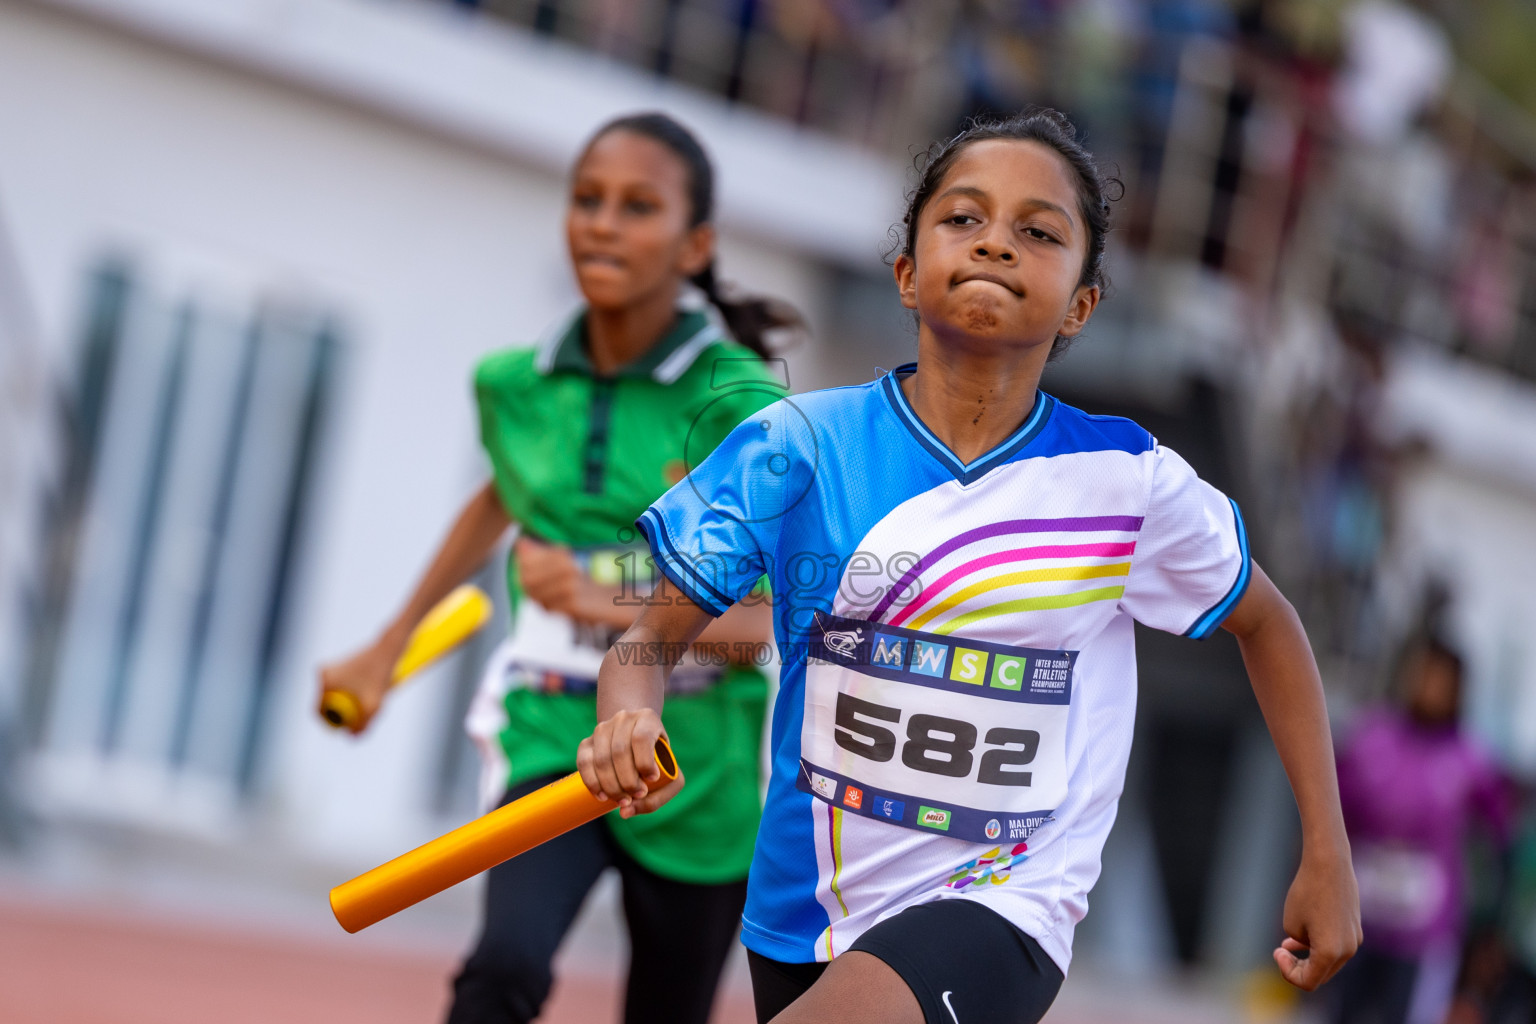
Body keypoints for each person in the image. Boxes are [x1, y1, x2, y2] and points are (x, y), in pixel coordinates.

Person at [577, 108, 1363, 1024]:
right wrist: (624, 720)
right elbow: (646, 643)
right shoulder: (796, 446)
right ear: (908, 274)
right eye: (964, 218)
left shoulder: (1127, 483)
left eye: (1038, 231)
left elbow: (1266, 621)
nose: (996, 243)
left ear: (1081, 302)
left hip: (1009, 900)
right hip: (806, 908)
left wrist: (1326, 848)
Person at [318, 111, 797, 1024]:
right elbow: (500, 497)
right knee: (502, 968)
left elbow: (758, 623)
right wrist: (385, 648)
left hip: (698, 768)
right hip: (551, 733)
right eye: (588, 201)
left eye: (639, 206)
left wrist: (603, 590)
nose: (603, 224)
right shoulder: (514, 383)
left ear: (695, 244)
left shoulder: (739, 404)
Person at [1331, 634, 1514, 1024]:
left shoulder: (1472, 760)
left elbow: (1501, 842)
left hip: (1427, 934)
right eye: (1423, 674)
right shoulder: (1370, 738)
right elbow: (1329, 821)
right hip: (1357, 918)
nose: (1430, 687)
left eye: (1441, 679)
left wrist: (1490, 930)